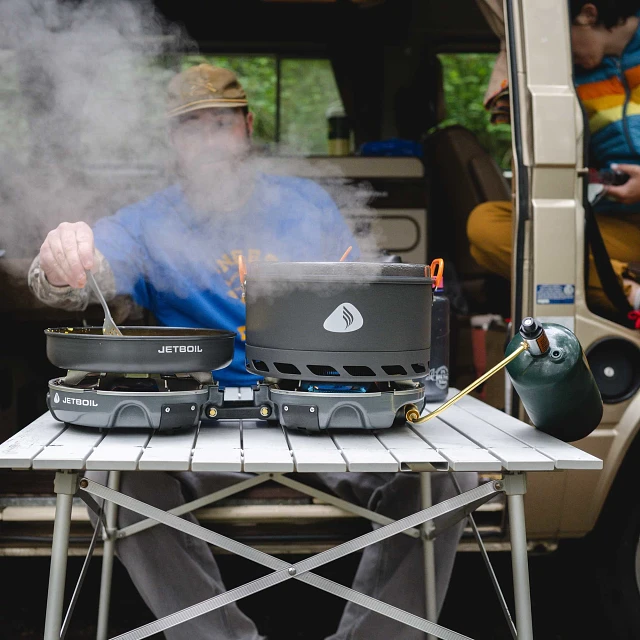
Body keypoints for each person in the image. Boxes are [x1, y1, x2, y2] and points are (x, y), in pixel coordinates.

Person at [29, 64, 477, 640]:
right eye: (193, 126)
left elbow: (364, 286)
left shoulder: (307, 203)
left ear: (246, 126)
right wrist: (59, 260)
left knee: (449, 474)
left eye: (222, 122)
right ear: (174, 141)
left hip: (320, 403)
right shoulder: (146, 222)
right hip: (201, 419)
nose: (210, 139)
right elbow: (69, 278)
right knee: (112, 479)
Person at [467, 0, 640, 315]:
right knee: (485, 227)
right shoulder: (568, 73)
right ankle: (630, 292)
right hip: (613, 223)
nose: (562, 51)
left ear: (588, 14)